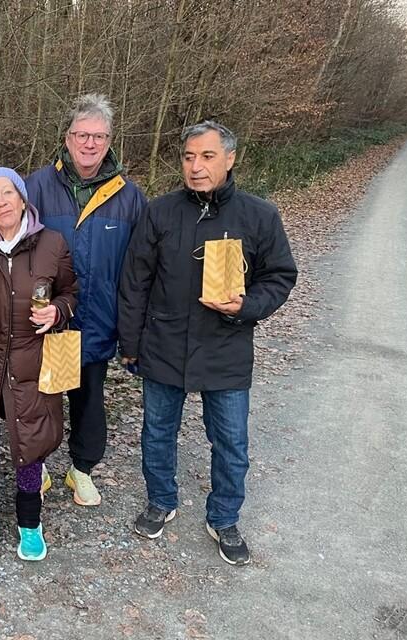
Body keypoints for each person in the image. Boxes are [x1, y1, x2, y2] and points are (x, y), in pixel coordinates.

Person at [117, 120, 297, 566]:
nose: (196, 166)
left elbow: (280, 276)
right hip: (164, 342)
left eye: (207, 156)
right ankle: (160, 500)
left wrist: (247, 305)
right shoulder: (159, 212)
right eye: (188, 157)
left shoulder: (259, 215)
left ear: (230, 159)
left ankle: (224, 517)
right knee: (158, 433)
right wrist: (131, 343)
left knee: (231, 442)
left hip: (225, 346)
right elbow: (135, 282)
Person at [25, 93, 147, 506]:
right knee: (42, 398)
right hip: (46, 318)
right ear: (67, 138)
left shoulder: (129, 197)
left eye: (99, 136)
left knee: (89, 401)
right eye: (82, 135)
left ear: (110, 141)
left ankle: (81, 469)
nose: (90, 143)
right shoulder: (37, 187)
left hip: (98, 319)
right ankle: (37, 466)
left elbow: (139, 267)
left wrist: (131, 328)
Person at [0, 168, 78, 561]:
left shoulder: (52, 243)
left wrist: (58, 311)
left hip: (33, 358)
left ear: (23, 199)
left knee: (31, 440)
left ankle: (30, 522)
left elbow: (71, 292)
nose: (1, 202)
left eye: (7, 193)